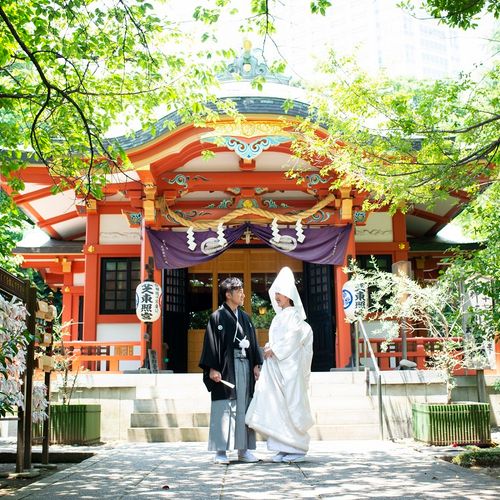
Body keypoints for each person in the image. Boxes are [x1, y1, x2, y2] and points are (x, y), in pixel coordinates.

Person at [245, 266, 314, 463]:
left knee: (289, 404)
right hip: (277, 367)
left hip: (288, 368)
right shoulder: (281, 315)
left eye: (280, 293)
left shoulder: (293, 315)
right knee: (277, 406)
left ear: (289, 295)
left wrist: (274, 349)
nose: (276, 297)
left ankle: (297, 448)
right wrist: (270, 347)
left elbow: (293, 338)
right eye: (275, 293)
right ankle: (283, 447)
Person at [199, 277, 263, 464]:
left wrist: (256, 364)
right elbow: (211, 344)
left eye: (243, 291)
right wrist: (212, 368)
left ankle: (244, 451)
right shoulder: (217, 317)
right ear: (228, 294)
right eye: (239, 291)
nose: (243, 295)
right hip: (226, 368)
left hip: (245, 366)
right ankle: (221, 452)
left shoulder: (245, 318)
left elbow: (253, 342)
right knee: (225, 406)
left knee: (244, 405)